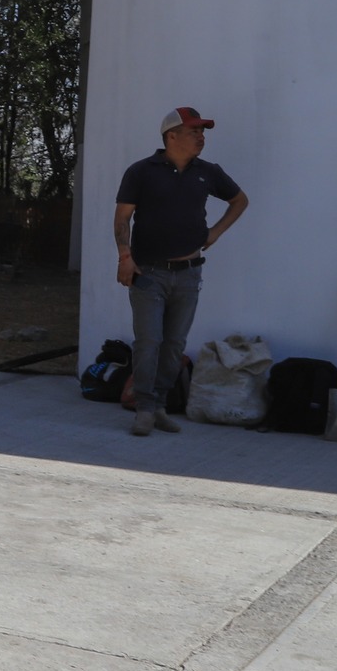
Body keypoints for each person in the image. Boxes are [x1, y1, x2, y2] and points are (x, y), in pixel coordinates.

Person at [114, 107, 249, 437]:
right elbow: (122, 218)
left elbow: (240, 200)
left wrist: (214, 233)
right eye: (194, 131)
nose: (201, 137)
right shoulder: (141, 172)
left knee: (174, 344)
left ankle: (159, 405)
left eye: (203, 131)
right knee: (149, 341)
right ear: (171, 136)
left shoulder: (208, 172)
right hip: (148, 272)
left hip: (189, 273)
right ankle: (143, 409)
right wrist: (125, 256)